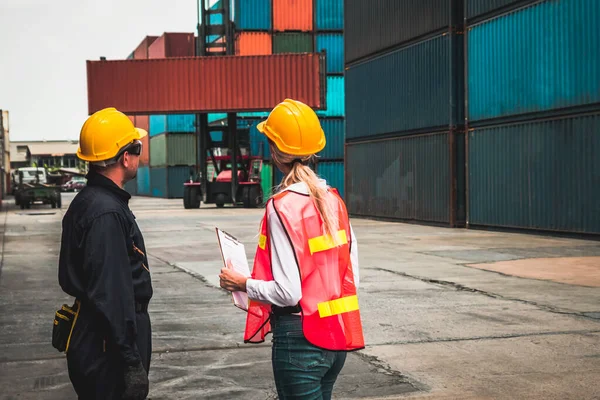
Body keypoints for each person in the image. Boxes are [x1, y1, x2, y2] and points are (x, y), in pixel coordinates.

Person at [219, 99, 364, 399]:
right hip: (335, 341)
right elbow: (352, 280)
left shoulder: (281, 206)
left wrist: (242, 283)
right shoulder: (334, 201)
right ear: (314, 150)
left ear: (274, 151)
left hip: (300, 343)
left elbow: (288, 293)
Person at [58, 107, 152, 400]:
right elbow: (111, 294)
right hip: (107, 348)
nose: (138, 157)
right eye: (136, 150)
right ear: (126, 157)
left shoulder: (90, 202)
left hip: (98, 338)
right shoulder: (106, 213)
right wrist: (130, 361)